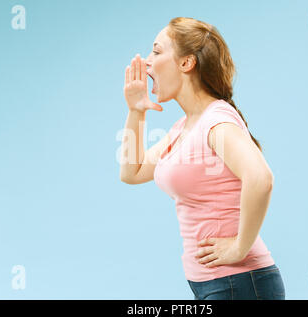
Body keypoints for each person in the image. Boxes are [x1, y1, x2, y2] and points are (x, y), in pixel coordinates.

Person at [120, 17, 285, 300]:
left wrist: (238, 248)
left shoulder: (215, 121)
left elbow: (261, 178)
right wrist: (137, 111)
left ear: (186, 63)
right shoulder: (184, 127)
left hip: (239, 282)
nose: (147, 62)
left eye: (157, 51)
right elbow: (132, 172)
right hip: (214, 284)